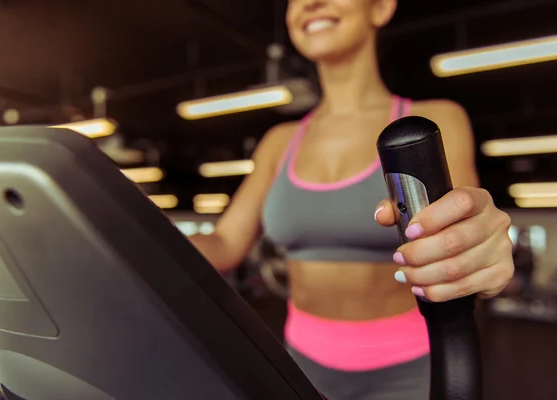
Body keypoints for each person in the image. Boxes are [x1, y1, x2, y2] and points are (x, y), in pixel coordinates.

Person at [189, 0, 515, 398]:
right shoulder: (278, 142)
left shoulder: (435, 120)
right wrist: (124, 225)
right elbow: (223, 244)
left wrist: (480, 242)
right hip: (299, 364)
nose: (310, 3)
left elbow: (460, 231)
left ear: (380, 8)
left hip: (410, 370)